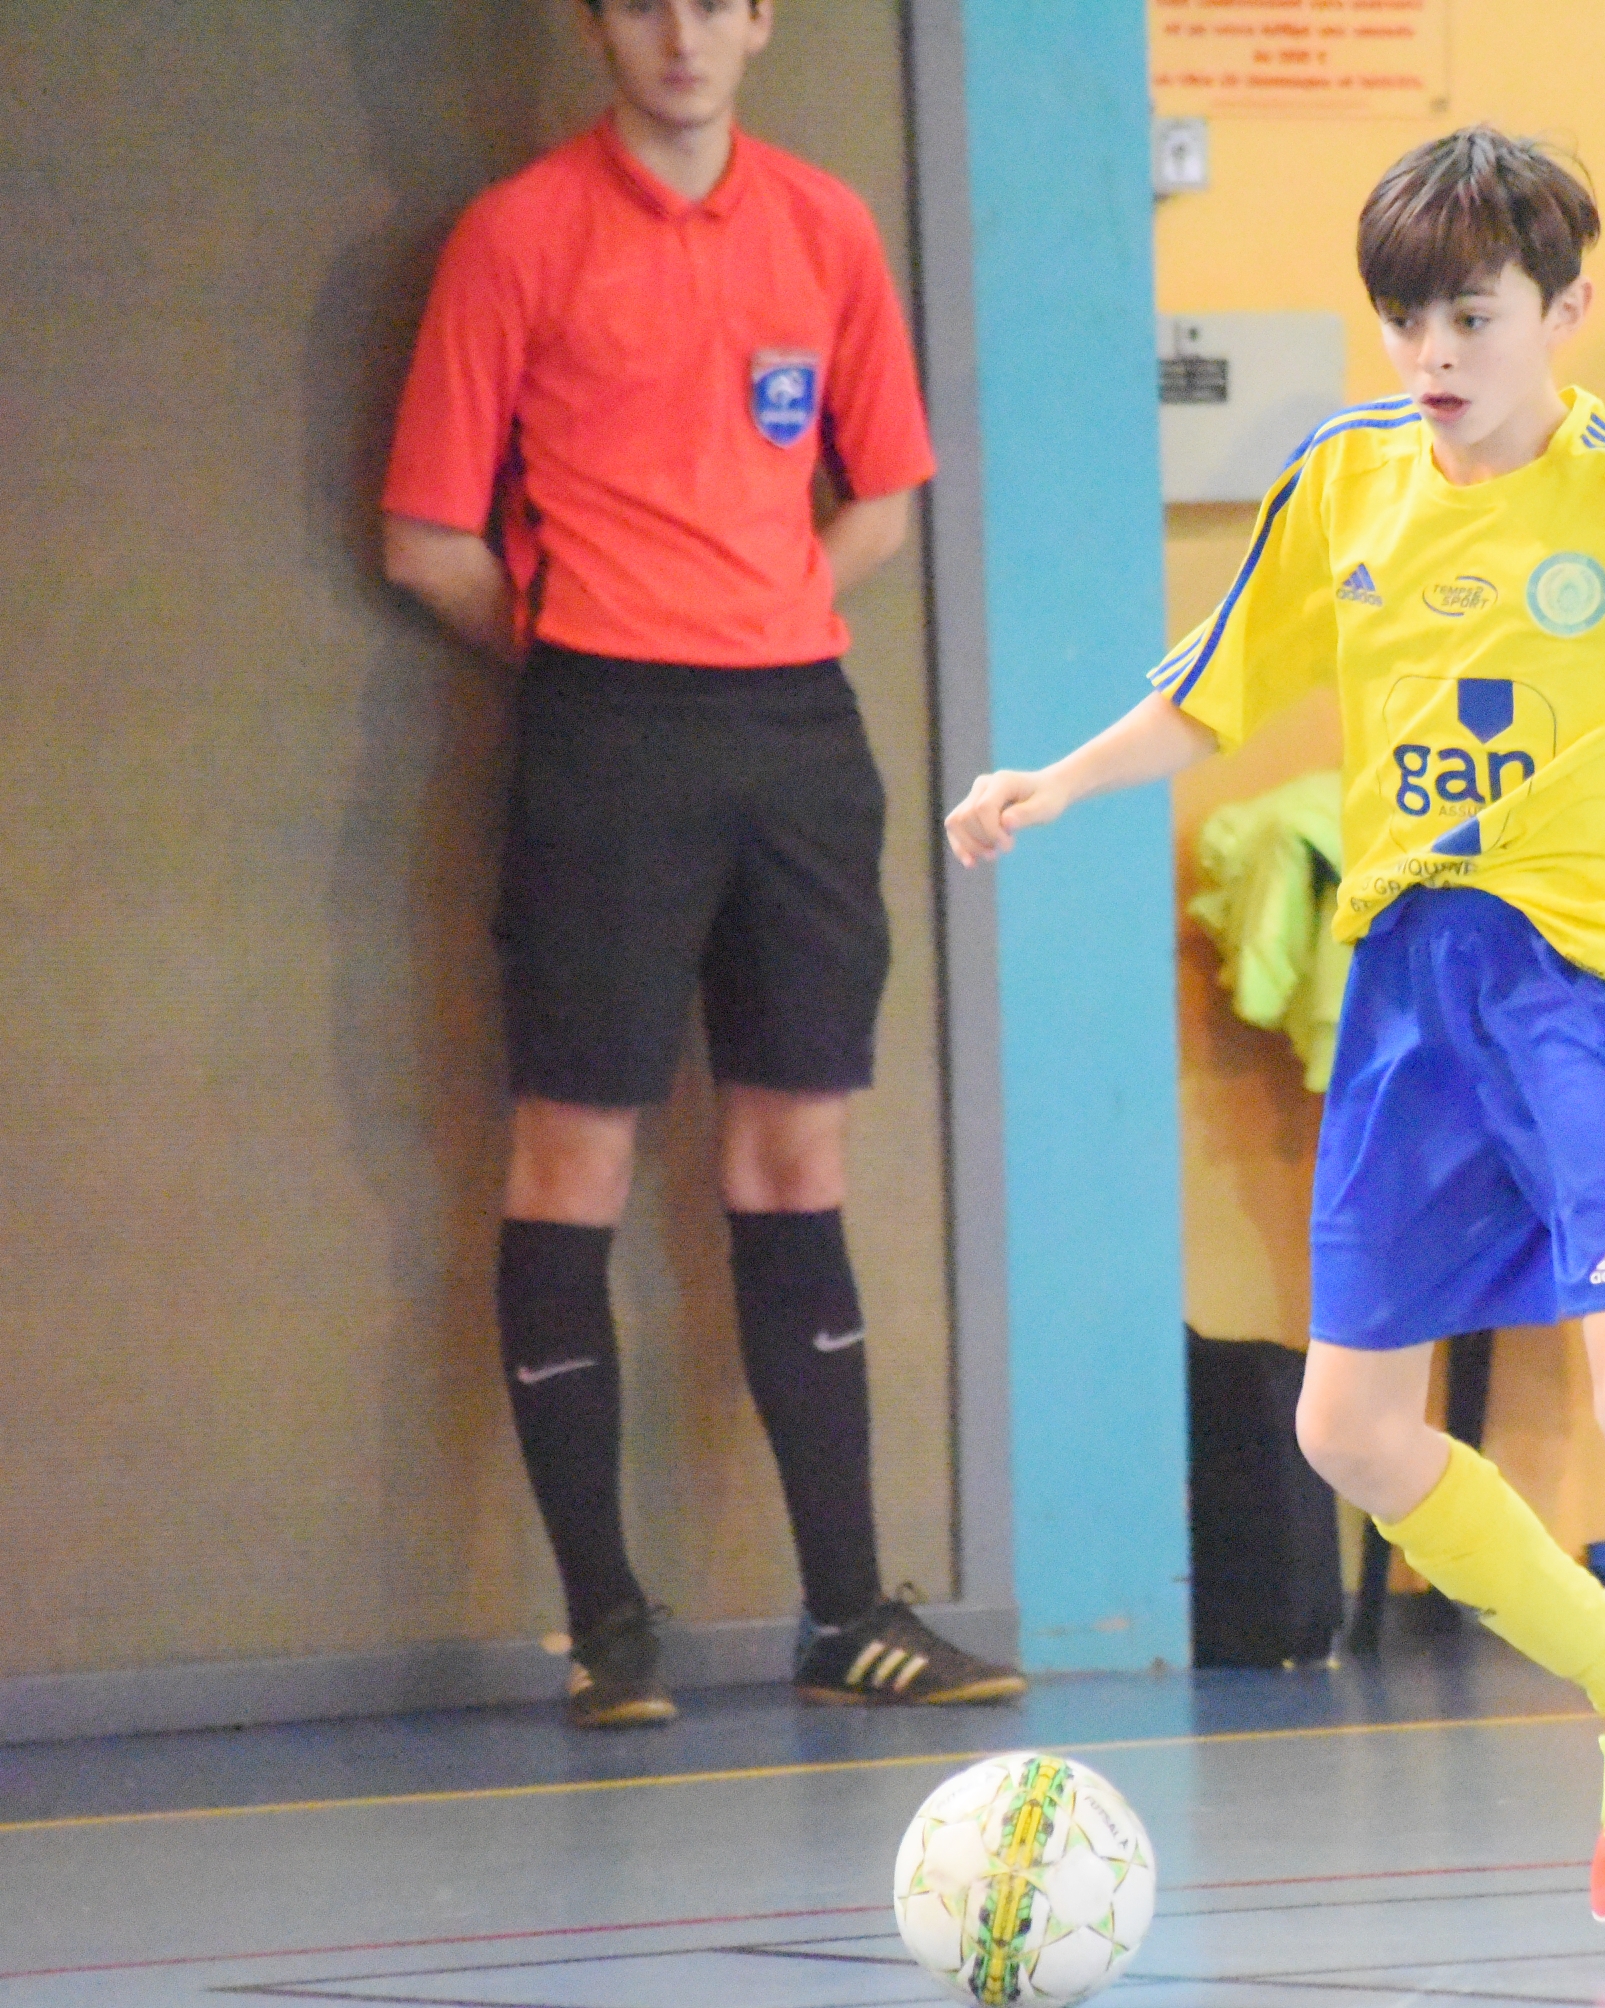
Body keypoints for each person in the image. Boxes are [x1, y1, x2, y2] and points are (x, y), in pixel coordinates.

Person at [945, 128, 1605, 1981]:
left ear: (1564, 311)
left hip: (1589, 1001)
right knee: (1346, 1428)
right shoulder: (1345, 478)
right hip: (1408, 996)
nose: (1432, 352)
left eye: (1470, 316)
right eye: (1404, 317)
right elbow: (1213, 686)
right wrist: (1055, 783)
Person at [380, 0, 1020, 1726]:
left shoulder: (827, 224)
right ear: (597, 25)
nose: (680, 33)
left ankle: (847, 1615)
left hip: (796, 731)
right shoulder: (516, 234)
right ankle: (607, 1627)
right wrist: (594, 645)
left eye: (712, 0)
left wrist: (756, 611)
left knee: (793, 1150)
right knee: (572, 1155)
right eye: (643, 0)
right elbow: (429, 537)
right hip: (602, 727)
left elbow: (882, 498)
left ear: (761, 21)